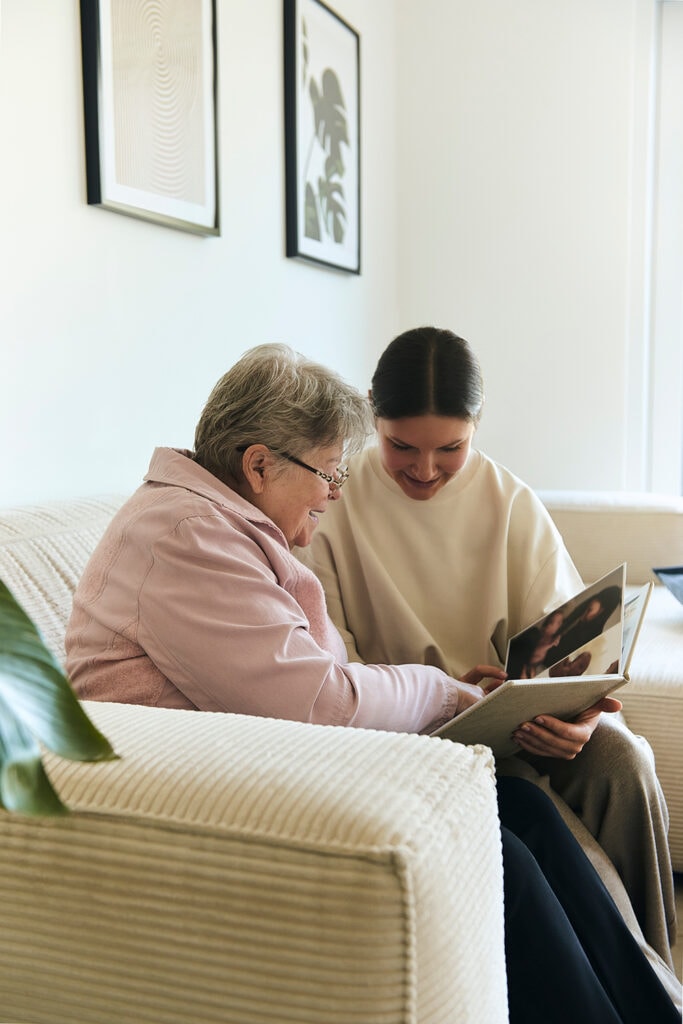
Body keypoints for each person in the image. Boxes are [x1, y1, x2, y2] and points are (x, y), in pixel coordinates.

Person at [65, 343, 679, 1023]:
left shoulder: (227, 526)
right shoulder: (186, 535)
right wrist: (444, 690)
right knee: (493, 847)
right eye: (329, 473)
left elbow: (313, 684)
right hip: (205, 779)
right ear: (259, 463)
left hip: (274, 748)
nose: (334, 492)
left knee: (524, 808)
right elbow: (322, 700)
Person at [299, 326, 678, 974]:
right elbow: (331, 664)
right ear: (371, 415)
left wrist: (574, 717)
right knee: (560, 834)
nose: (423, 470)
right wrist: (443, 693)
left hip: (510, 723)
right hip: (401, 729)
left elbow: (562, 657)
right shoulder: (330, 501)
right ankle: (620, 979)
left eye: (450, 448)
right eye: (400, 446)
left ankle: (654, 971)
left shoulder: (510, 502)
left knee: (624, 761)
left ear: (477, 424)